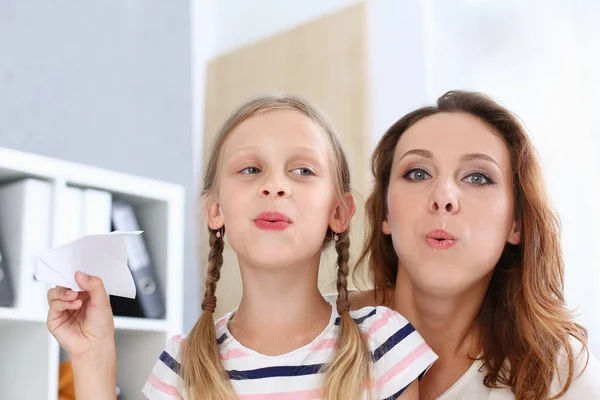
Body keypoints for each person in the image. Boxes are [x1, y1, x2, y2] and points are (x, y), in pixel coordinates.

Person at [47, 94, 437, 400]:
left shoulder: (384, 343)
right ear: (216, 210)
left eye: (302, 170)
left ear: (339, 211)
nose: (275, 185)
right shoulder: (182, 367)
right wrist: (91, 356)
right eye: (251, 169)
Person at [351, 90, 600, 399]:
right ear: (386, 212)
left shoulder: (557, 373)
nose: (443, 197)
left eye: (478, 178)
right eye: (417, 173)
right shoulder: (312, 333)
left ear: (516, 223)